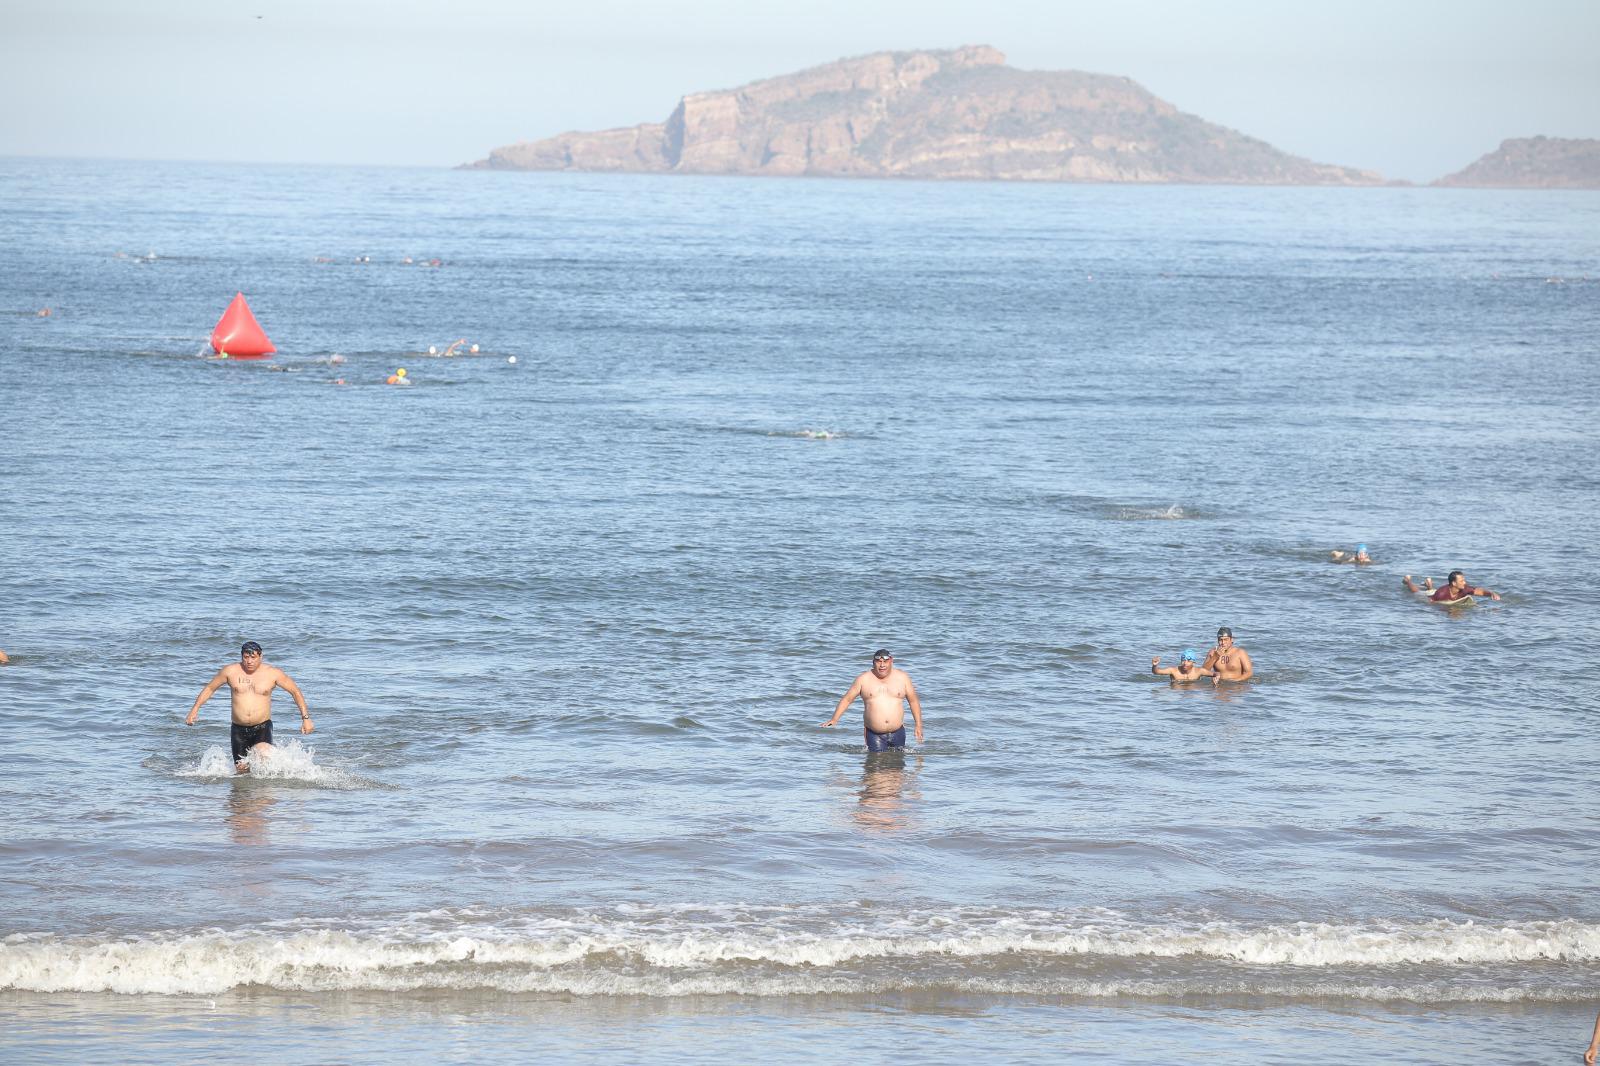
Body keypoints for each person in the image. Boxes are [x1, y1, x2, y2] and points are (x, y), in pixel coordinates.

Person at [185, 641, 313, 773]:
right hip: (238, 729)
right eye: (246, 657)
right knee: (241, 770)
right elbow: (210, 688)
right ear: (242, 656)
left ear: (261, 656)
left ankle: (275, 780)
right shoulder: (230, 671)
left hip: (262, 726)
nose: (249, 661)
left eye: (253, 657)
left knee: (262, 752)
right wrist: (194, 710)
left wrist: (306, 718)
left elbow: (295, 691)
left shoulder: (273, 673)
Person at [822, 649, 924, 751]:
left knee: (898, 760)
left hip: (898, 732)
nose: (882, 665)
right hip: (874, 734)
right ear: (873, 662)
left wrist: (918, 725)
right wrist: (834, 719)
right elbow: (847, 699)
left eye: (885, 661)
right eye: (879, 662)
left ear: (891, 661)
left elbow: (913, 701)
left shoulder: (903, 678)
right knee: (875, 761)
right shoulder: (863, 679)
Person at [1402, 570, 1501, 602]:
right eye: (1461, 581)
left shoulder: (1464, 589)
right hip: (1431, 596)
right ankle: (1408, 581)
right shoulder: (1441, 593)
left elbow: (1480, 591)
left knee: (1431, 590)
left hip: (1436, 593)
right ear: (1454, 583)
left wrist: (1492, 593)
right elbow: (1430, 603)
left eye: (1464, 580)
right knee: (1416, 592)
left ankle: (1429, 584)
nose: (1464, 582)